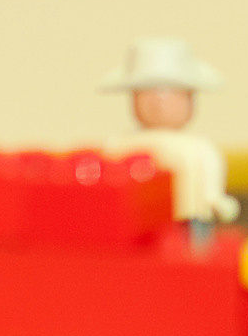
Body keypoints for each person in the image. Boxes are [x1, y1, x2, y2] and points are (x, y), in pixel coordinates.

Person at [98, 36, 240, 234]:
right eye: (146, 93)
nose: (158, 102)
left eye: (169, 93)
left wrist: (215, 200)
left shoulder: (198, 148)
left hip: (188, 219)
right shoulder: (119, 146)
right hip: (133, 223)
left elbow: (209, 182)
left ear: (190, 99)